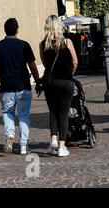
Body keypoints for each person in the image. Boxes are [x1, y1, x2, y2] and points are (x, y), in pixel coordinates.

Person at [0, 18, 40, 155]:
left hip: (6, 88)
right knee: (24, 116)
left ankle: (10, 134)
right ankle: (24, 145)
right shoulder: (24, 45)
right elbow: (33, 66)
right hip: (23, 86)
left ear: (5, 30)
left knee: (7, 113)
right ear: (17, 30)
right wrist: (38, 82)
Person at [39, 15, 78, 157]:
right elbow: (75, 62)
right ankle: (62, 147)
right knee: (63, 114)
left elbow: (45, 65)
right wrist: (69, 74)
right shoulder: (67, 42)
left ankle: (53, 141)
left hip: (50, 83)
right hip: (66, 82)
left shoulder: (42, 45)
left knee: (53, 112)